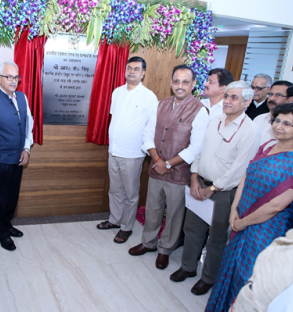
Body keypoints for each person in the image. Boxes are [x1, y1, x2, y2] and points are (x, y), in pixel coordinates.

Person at [206, 102, 293, 312]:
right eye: (277, 120)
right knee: (230, 267)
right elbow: (246, 177)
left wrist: (243, 222)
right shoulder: (267, 147)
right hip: (241, 216)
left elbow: (276, 205)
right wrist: (234, 210)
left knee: (247, 274)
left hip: (266, 228)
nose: (279, 126)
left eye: (287, 123)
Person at [170, 81, 260, 296]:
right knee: (192, 229)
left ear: (247, 102)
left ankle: (209, 277)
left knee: (216, 237)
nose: (228, 101)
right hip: (199, 184)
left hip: (222, 192)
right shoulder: (215, 120)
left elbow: (239, 170)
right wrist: (193, 177)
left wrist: (212, 188)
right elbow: (200, 150)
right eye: (227, 96)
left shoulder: (250, 130)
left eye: (234, 98)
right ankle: (188, 267)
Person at [128, 64, 209, 270]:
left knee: (174, 215)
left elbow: (196, 147)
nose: (179, 86)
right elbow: (147, 135)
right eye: (176, 81)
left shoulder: (200, 110)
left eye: (185, 82)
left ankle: (165, 250)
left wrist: (168, 164)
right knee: (153, 210)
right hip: (156, 169)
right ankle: (148, 243)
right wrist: (157, 161)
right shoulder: (161, 104)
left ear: (192, 84)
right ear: (171, 82)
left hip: (179, 174)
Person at [96, 56, 158, 243]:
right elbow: (115, 119)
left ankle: (127, 227)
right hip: (114, 151)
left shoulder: (149, 97)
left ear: (143, 73)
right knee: (115, 190)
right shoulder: (117, 92)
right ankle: (115, 220)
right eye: (129, 68)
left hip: (132, 154)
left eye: (136, 69)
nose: (132, 71)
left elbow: (152, 126)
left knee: (131, 194)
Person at [0, 62, 33, 251]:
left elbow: (28, 124)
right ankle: (2, 233)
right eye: (8, 77)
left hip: (18, 159)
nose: (13, 81)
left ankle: (8, 225)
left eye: (16, 77)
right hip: (0, 160)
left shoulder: (22, 97)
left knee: (12, 196)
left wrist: (26, 148)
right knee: (1, 198)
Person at [253, 80, 293, 144]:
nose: (272, 98)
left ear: (290, 99)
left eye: (278, 95)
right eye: (270, 94)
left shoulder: (291, 126)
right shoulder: (259, 118)